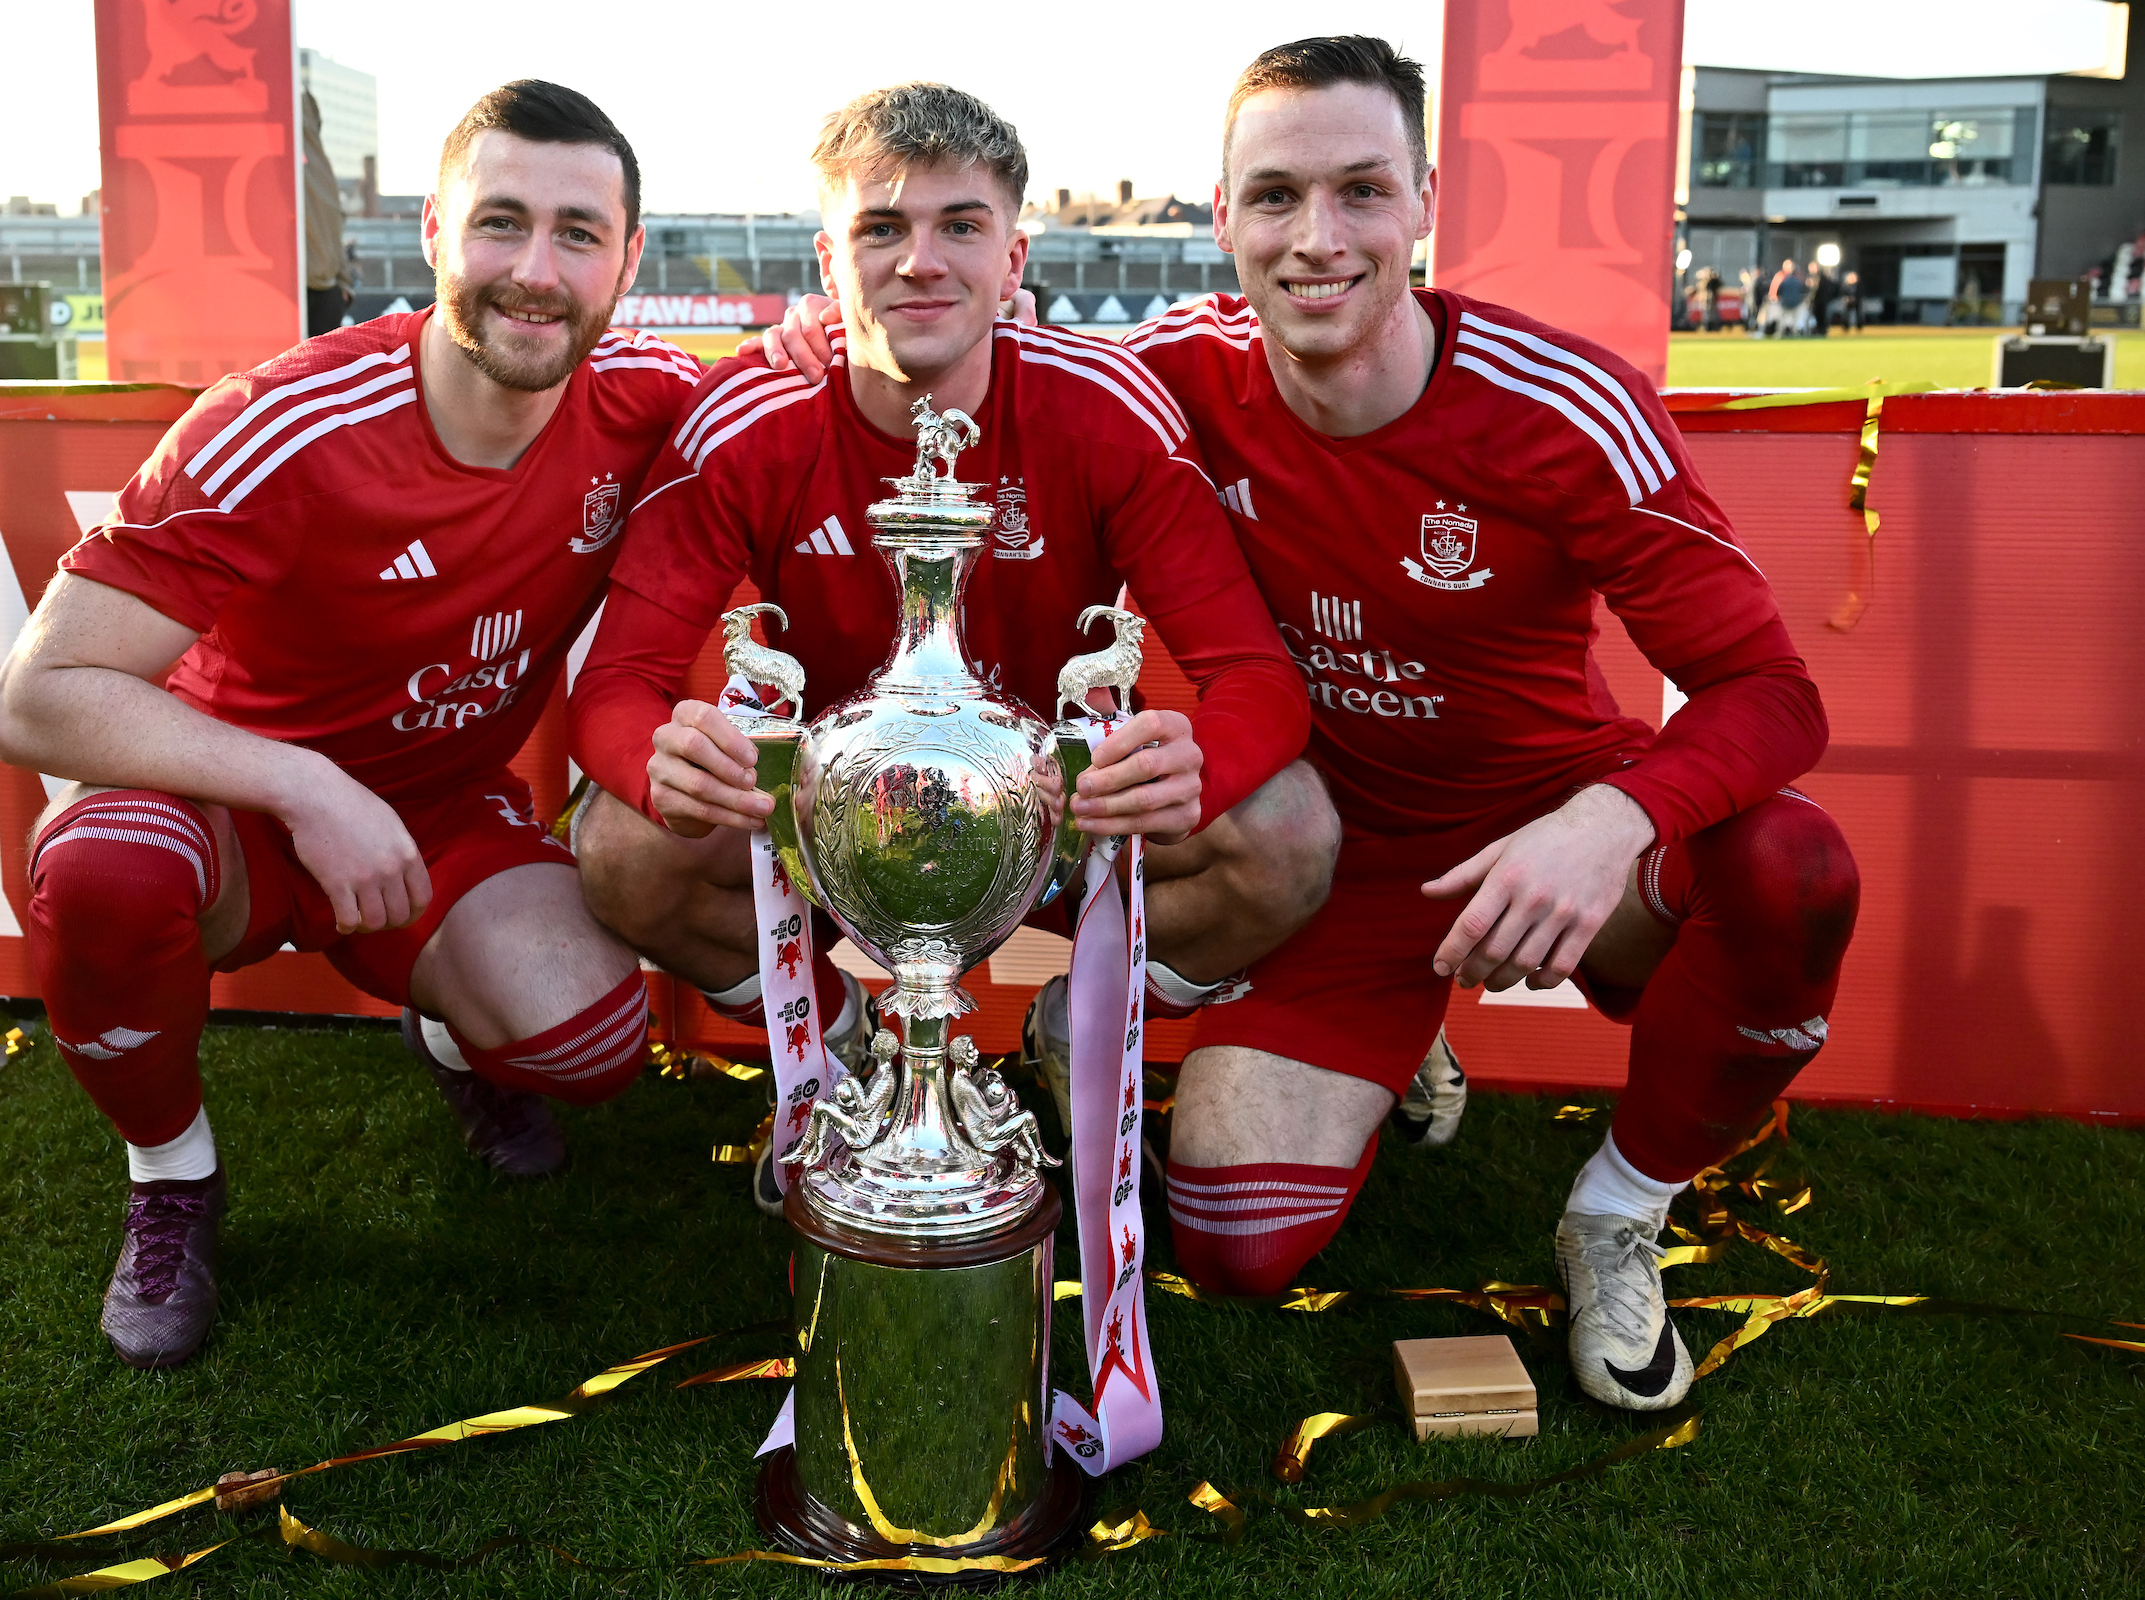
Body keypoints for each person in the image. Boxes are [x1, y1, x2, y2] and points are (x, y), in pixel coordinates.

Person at [748, 37, 1860, 1413]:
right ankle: (1392, 1030)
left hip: (1539, 841)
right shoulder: (1173, 378)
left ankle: (1617, 1213)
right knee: (1237, 1245)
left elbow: (1775, 694)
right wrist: (820, 331)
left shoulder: (1562, 409)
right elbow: (965, 347)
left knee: (1791, 870)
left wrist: (1612, 816)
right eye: (1274, 198)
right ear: (1222, 218)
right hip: (1328, 865)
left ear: (1425, 202)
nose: (1315, 239)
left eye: (1360, 193)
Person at [0, 82, 703, 1369]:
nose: (536, 272)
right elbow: (39, 695)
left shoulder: (649, 400)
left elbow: (818, 402)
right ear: (433, 229)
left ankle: (450, 1026)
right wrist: (305, 786)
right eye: (500, 223)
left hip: (429, 813)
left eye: (578, 234)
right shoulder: (284, 419)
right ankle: (172, 1176)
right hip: (227, 806)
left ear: (627, 258)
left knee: (588, 1040)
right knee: (104, 871)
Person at [567, 83, 1326, 1215]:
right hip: (836, 819)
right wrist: (655, 763)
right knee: (622, 841)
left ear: (1013, 259)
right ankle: (843, 1063)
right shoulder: (751, 417)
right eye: (883, 227)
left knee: (1287, 829)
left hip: (1049, 815)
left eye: (959, 225)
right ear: (830, 262)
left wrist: (1193, 767)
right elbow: (615, 691)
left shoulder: (1106, 406)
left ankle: (1079, 1028)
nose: (921, 260)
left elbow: (1258, 680)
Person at [303, 90, 355, 337]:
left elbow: (334, 222)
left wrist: (343, 284)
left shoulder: (316, 162)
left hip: (323, 292)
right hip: (292, 290)